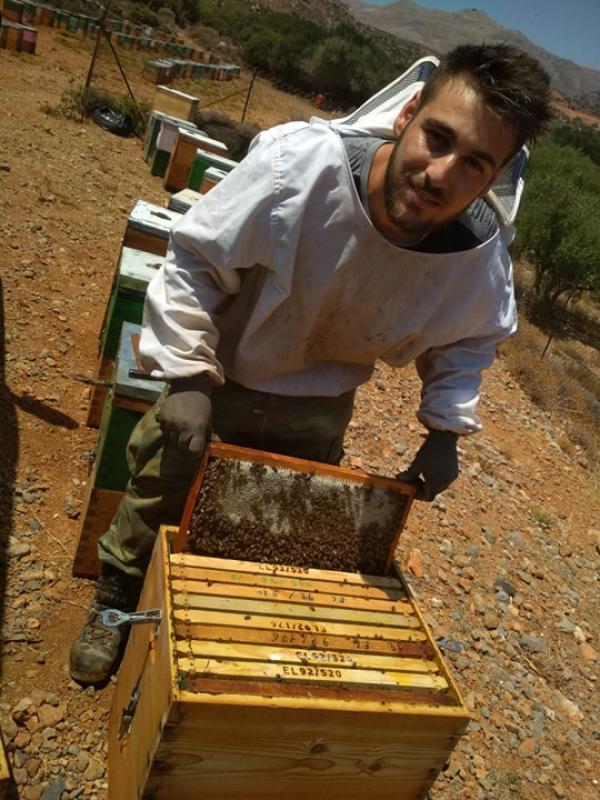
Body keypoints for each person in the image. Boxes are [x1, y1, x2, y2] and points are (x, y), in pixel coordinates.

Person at [70, 44, 552, 685]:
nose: (441, 175)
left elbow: (470, 341)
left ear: (491, 181)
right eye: (438, 138)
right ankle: (114, 600)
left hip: (321, 406)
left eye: (474, 164)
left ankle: (215, 630)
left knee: (271, 519)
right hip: (220, 378)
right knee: (162, 488)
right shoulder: (297, 168)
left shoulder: (476, 256)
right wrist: (185, 374)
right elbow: (195, 260)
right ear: (408, 112)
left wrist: (446, 429)